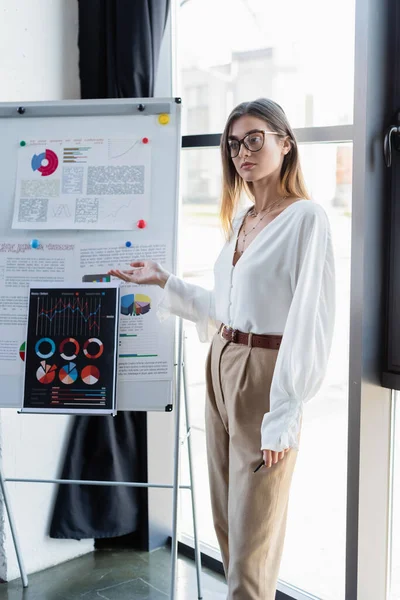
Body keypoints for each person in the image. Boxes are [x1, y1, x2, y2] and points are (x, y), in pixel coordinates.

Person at [109, 98, 335, 600]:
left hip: (265, 374)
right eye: (234, 143)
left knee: (253, 538)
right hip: (221, 362)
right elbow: (227, 306)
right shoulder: (245, 218)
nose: (242, 151)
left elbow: (310, 322)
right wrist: (163, 280)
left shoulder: (306, 220)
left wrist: (285, 412)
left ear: (285, 143)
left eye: (255, 138)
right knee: (227, 524)